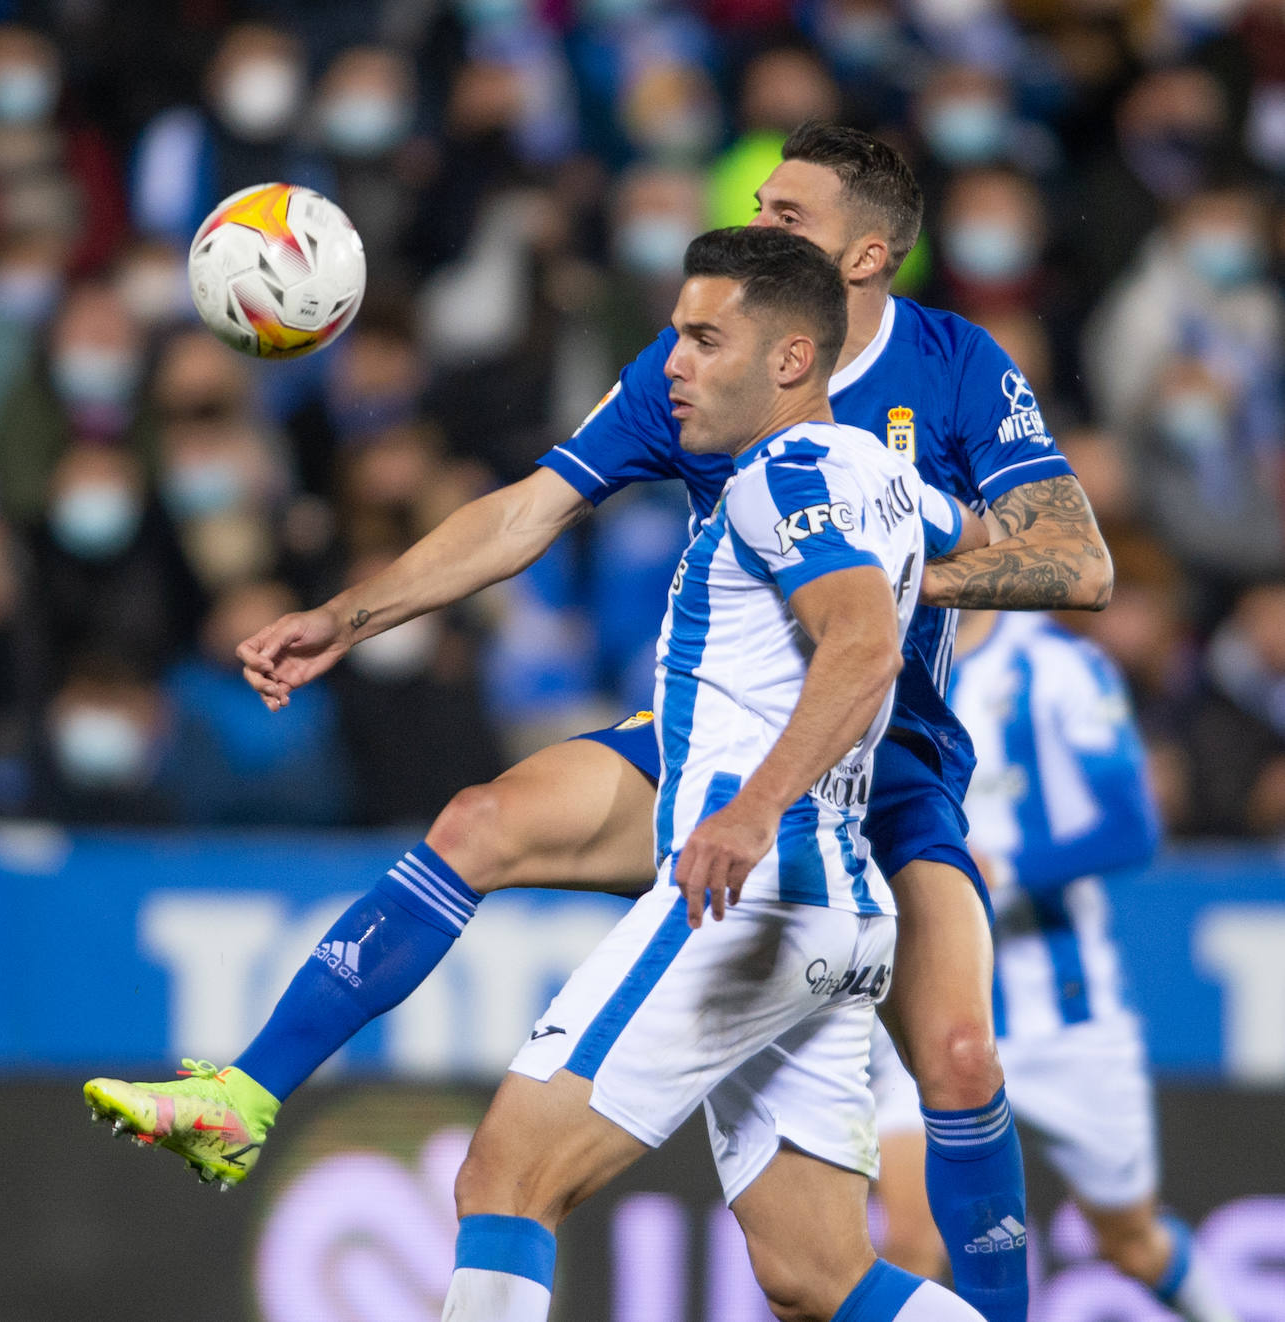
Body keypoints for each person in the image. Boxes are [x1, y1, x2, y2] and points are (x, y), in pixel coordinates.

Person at [85, 124, 1114, 1322]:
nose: (762, 228)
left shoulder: (945, 367)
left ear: (867, 257)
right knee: (486, 825)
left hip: (872, 769)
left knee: (948, 1062)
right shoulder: (701, 361)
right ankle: (249, 1089)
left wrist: (866, 581)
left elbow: (1073, 561)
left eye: (790, 216)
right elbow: (530, 509)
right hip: (731, 753)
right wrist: (349, 613)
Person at [441, 228, 993, 1322]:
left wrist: (751, 805)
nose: (673, 363)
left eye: (702, 337)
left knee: (506, 1175)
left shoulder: (779, 477)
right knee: (819, 1273)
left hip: (756, 890)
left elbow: (864, 642)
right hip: (837, 908)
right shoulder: (886, 477)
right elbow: (968, 534)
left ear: (791, 359)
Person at [868, 610, 1241, 1322]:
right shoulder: (879, 654)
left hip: (1063, 1010)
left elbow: (1132, 828)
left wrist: (1004, 868)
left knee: (1132, 1241)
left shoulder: (1057, 664)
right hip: (925, 1005)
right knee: (911, 1246)